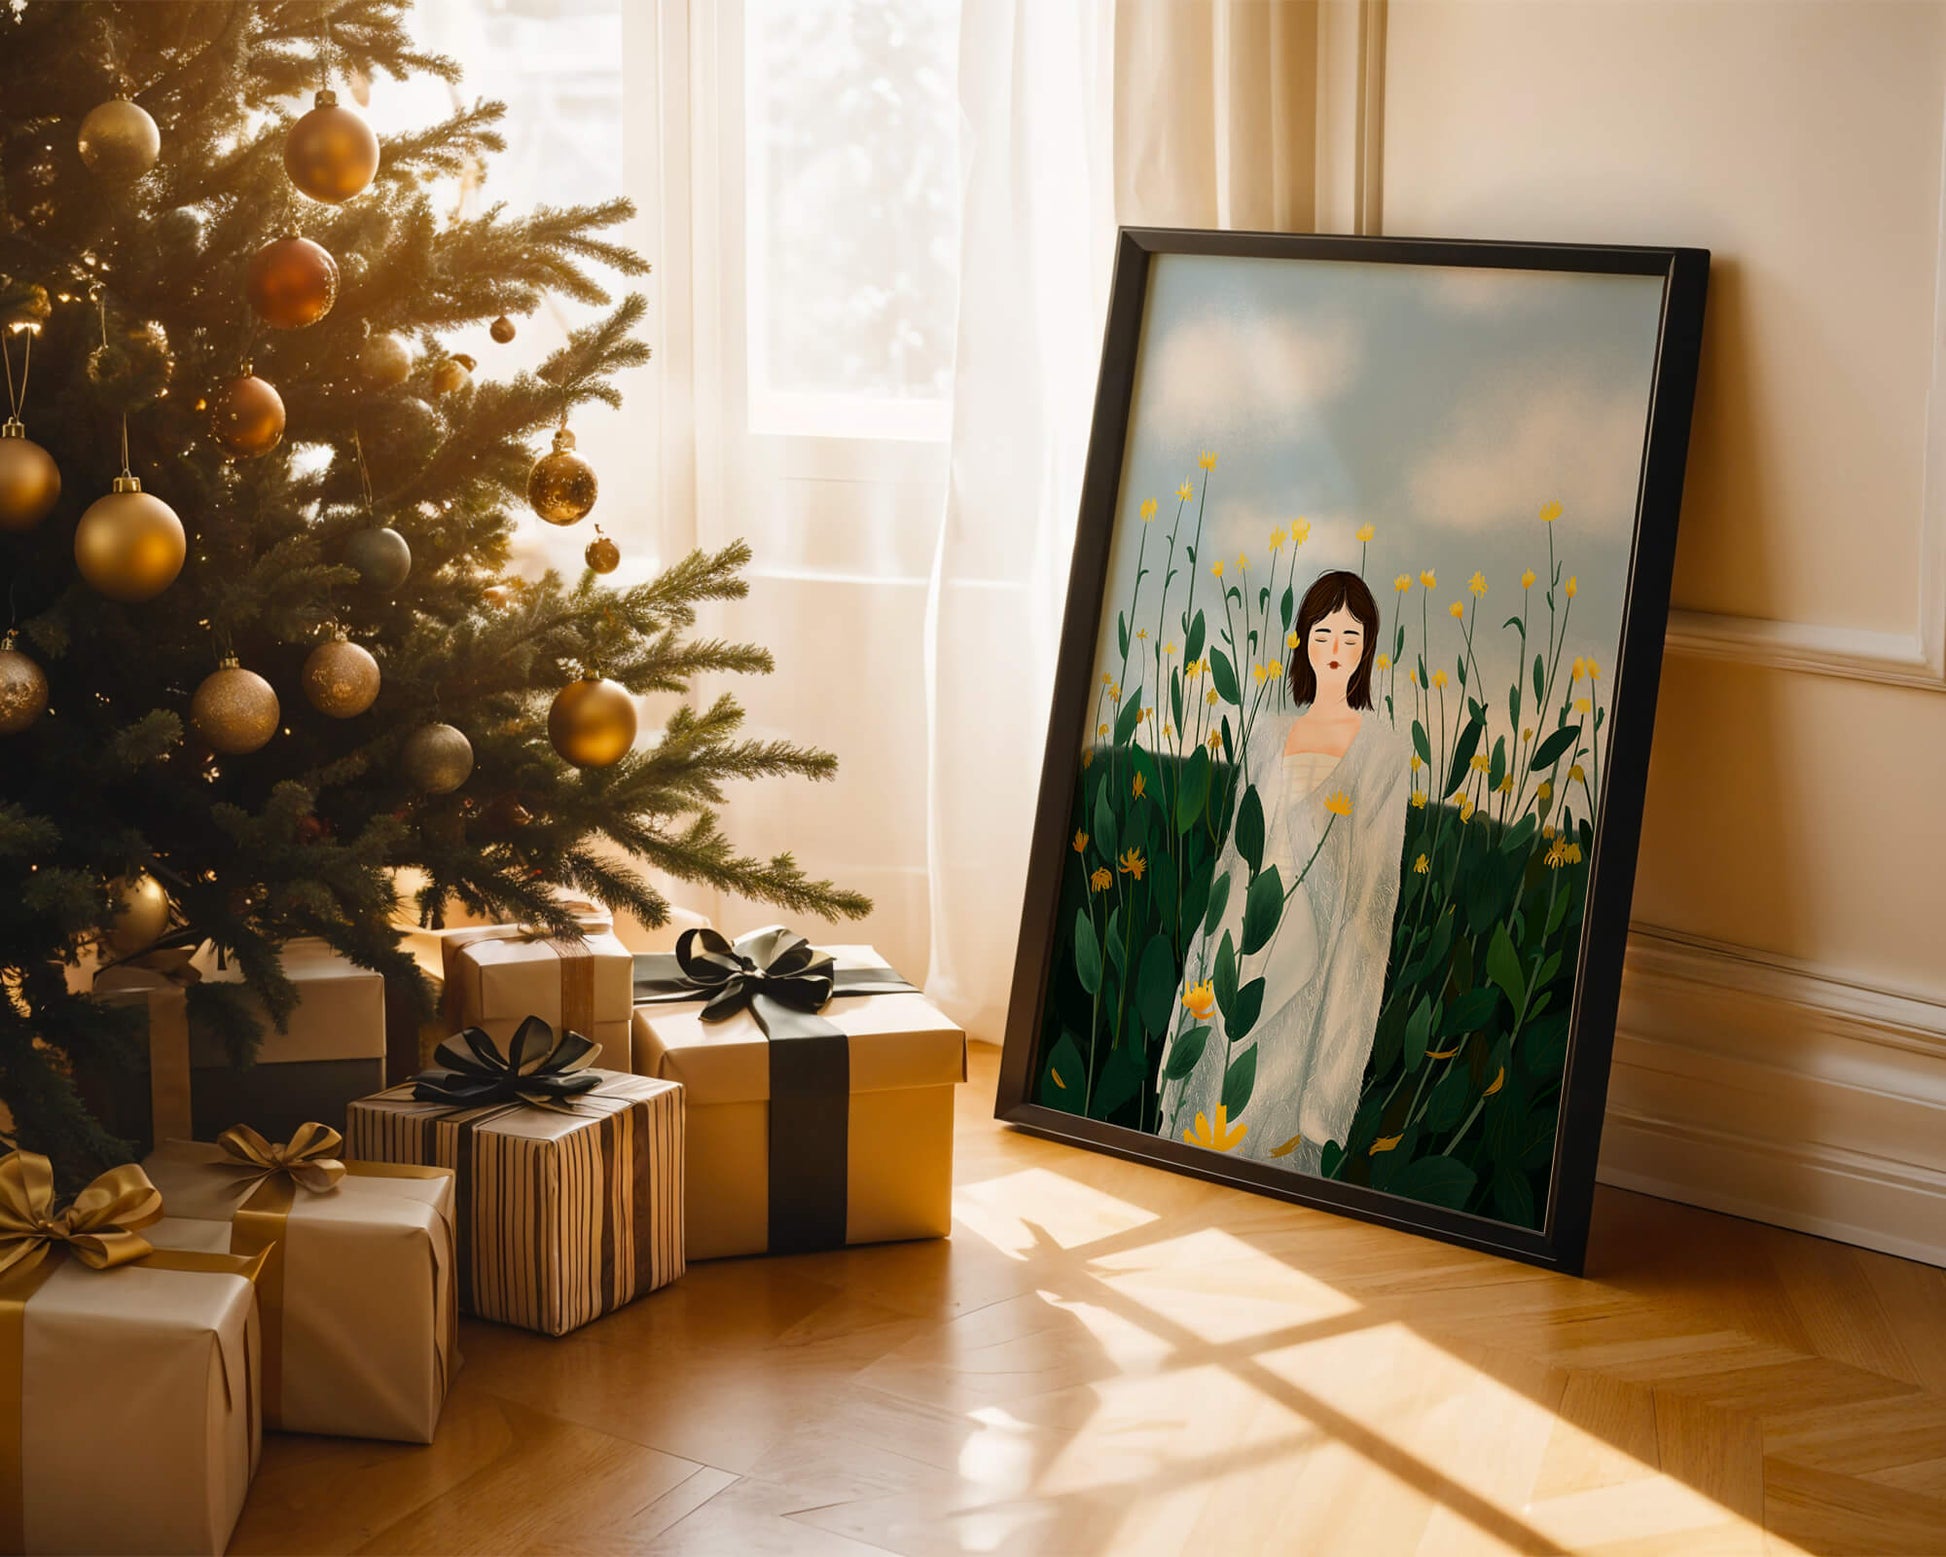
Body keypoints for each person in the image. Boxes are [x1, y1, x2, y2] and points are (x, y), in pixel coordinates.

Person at [1158, 569, 1412, 1172]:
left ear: (1367, 648)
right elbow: (1234, 858)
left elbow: (1375, 896)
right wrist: (1206, 954)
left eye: (1351, 637)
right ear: (1303, 640)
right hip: (1239, 941)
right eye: (1323, 634)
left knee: (1270, 1110)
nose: (1336, 651)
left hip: (1313, 959)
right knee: (1213, 1096)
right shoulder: (1271, 735)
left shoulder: (1384, 750)